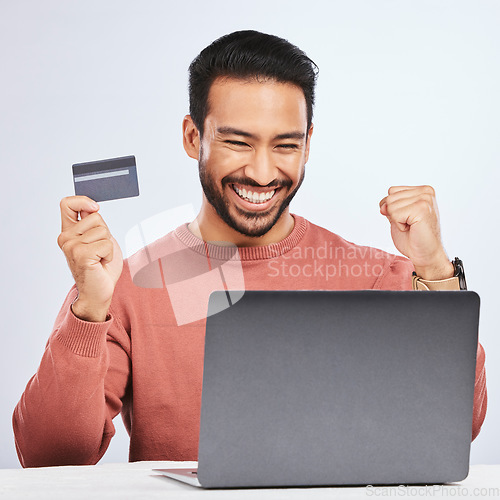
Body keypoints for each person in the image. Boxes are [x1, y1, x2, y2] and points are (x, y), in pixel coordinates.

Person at [13, 30, 487, 467]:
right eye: (238, 142)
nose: (262, 174)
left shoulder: (380, 275)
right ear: (192, 136)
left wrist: (435, 268)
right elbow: (49, 459)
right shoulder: (125, 282)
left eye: (285, 146)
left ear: (308, 146)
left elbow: (458, 425)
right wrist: (91, 306)